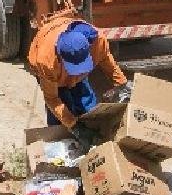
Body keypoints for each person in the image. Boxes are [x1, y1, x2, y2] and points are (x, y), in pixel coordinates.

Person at [28, 15, 131, 149]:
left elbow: (108, 63)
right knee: (61, 120)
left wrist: (123, 85)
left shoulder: (98, 41)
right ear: (60, 56)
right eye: (73, 69)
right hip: (55, 79)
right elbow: (52, 99)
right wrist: (75, 127)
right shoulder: (46, 61)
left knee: (89, 110)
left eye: (80, 67)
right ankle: (64, 149)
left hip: (76, 75)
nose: (75, 74)